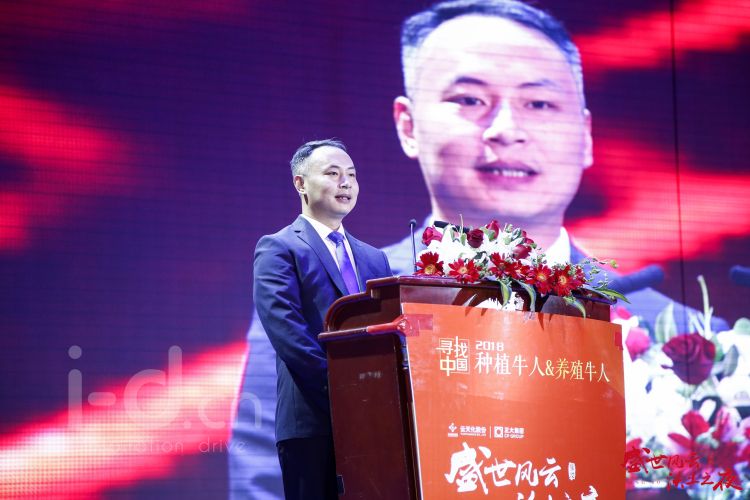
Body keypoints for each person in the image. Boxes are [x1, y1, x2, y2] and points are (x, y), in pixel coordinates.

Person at [230, 2, 727, 498]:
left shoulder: (690, 337)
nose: (506, 129)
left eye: (539, 104)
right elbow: (267, 481)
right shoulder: (349, 288)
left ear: (586, 134)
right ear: (408, 125)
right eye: (469, 99)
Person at [245, 139, 392, 500]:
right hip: (312, 420)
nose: (346, 183)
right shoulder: (279, 247)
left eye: (352, 175)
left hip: (375, 421)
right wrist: (344, 389)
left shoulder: (375, 258)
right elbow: (287, 332)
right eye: (332, 173)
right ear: (301, 183)